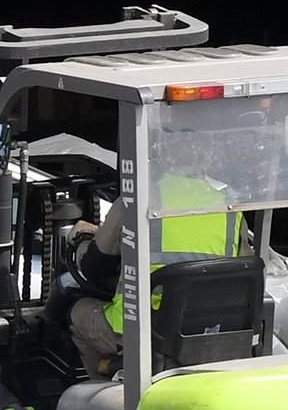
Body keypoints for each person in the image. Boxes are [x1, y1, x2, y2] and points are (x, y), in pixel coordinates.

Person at [66, 157, 240, 379]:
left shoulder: (138, 197)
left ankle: (108, 394)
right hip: (207, 329)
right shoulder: (230, 207)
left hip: (146, 329)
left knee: (78, 312)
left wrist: (82, 239)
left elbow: (94, 267)